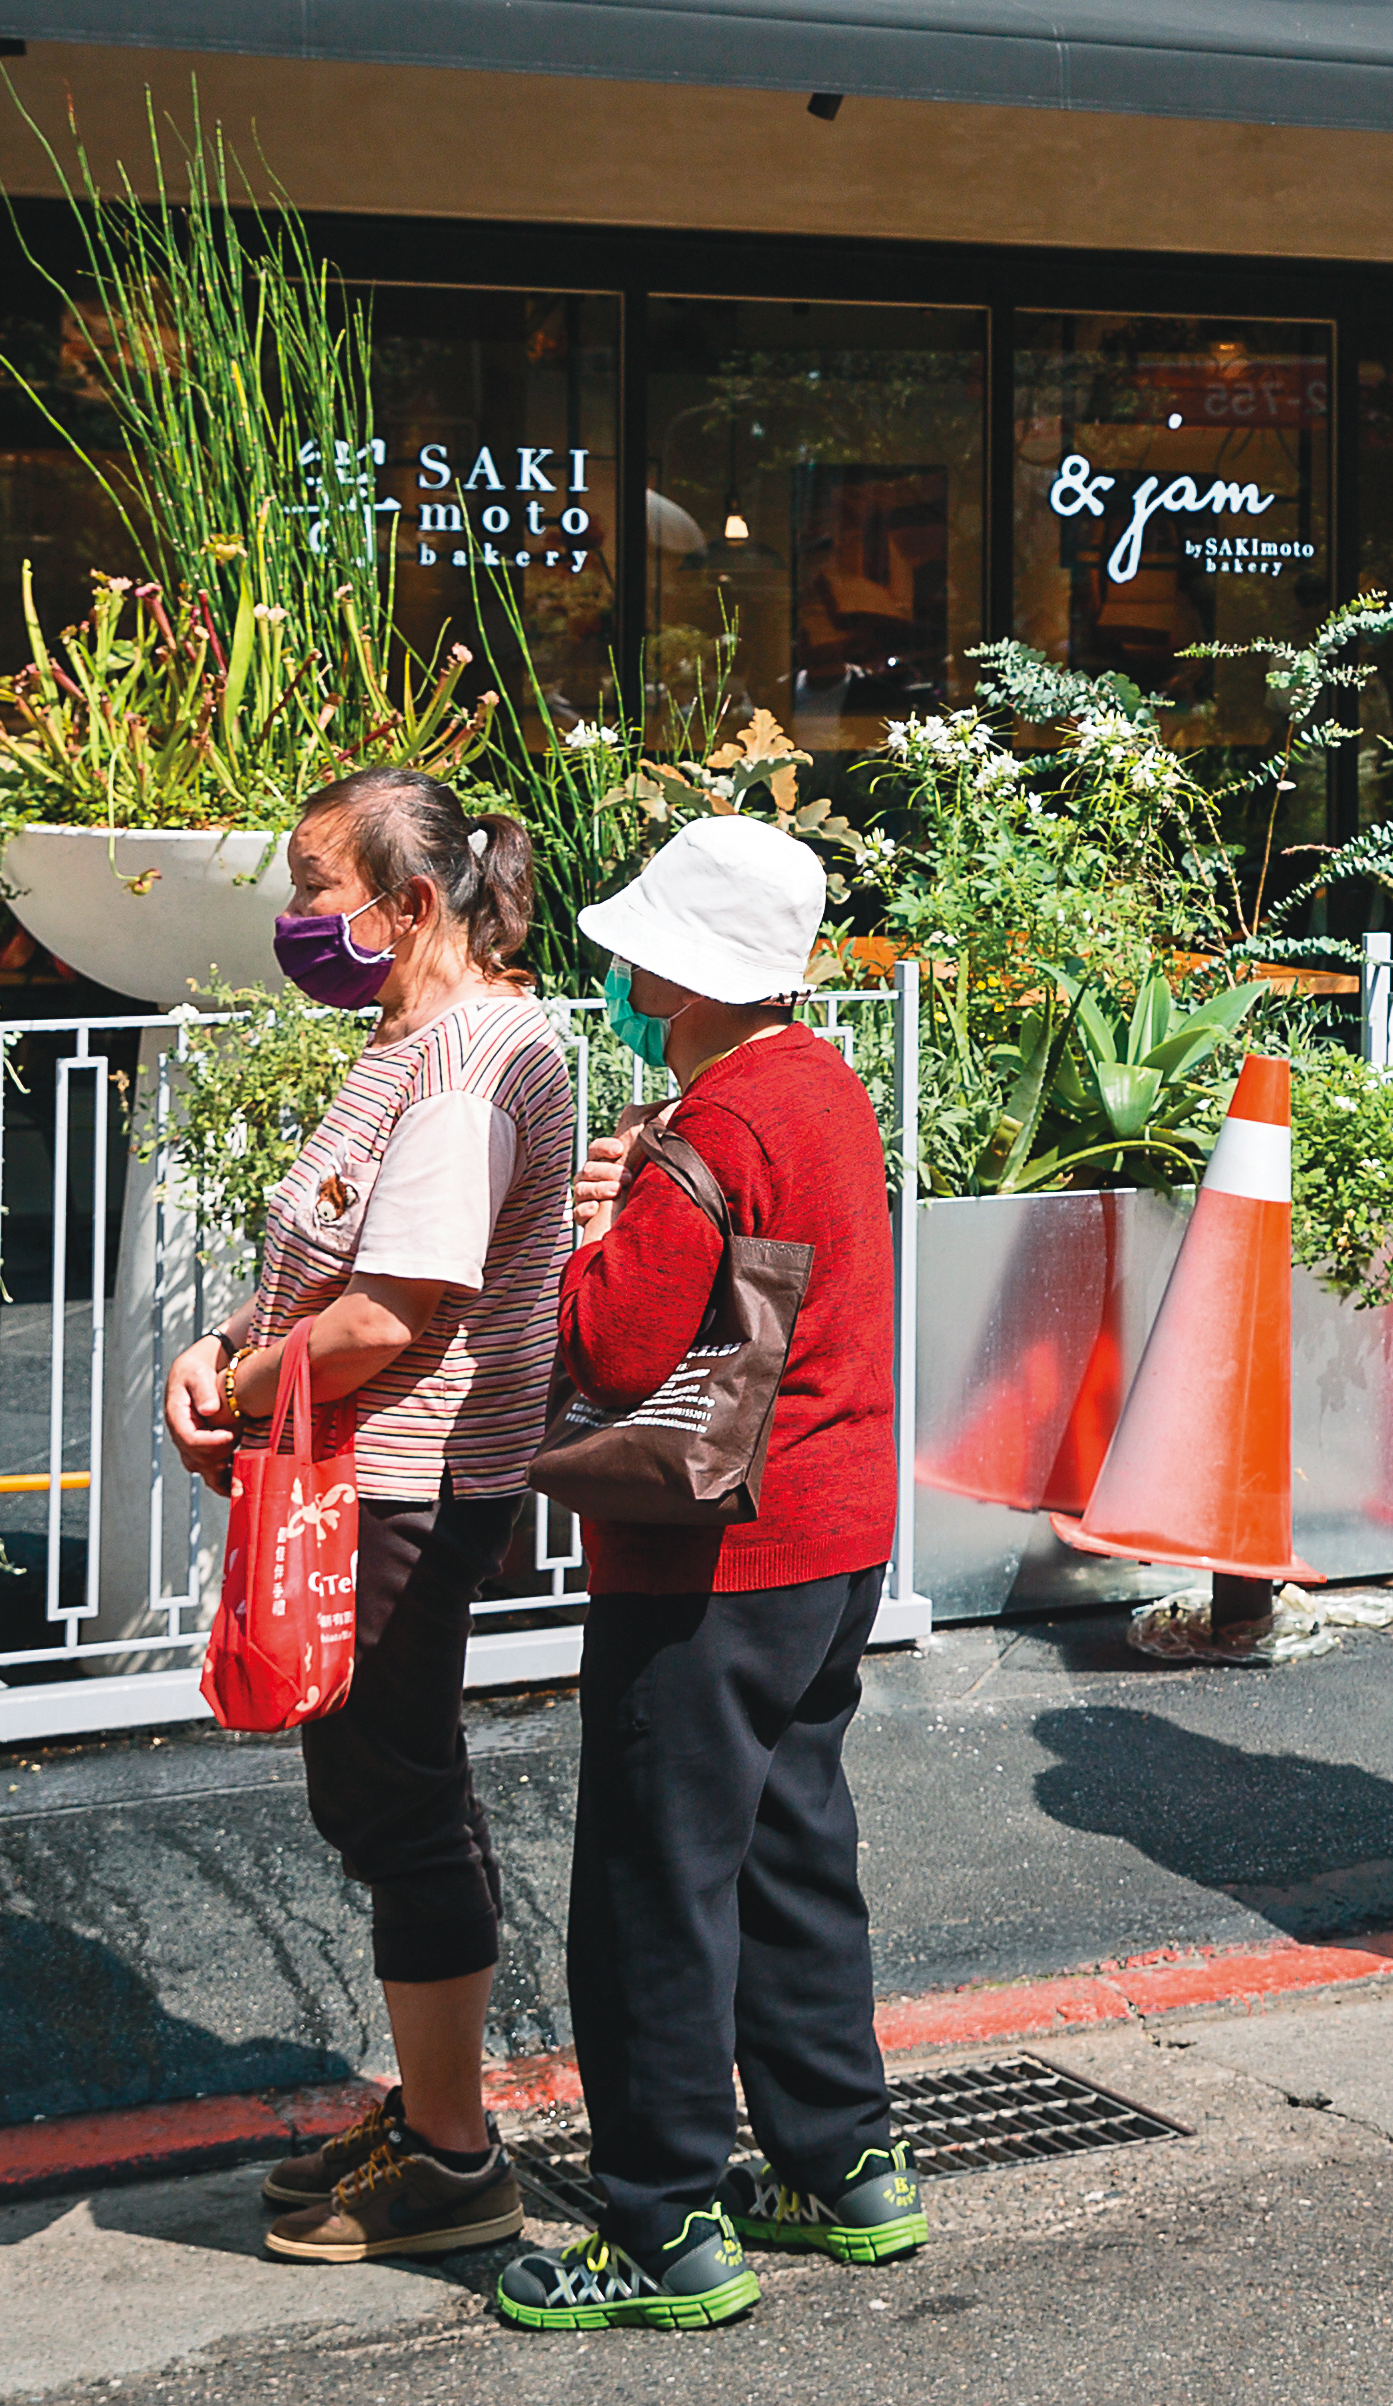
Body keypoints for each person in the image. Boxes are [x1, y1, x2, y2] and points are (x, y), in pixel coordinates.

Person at [492, 818, 912, 2335]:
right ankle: (841, 2160)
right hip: (836, 1539)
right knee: (794, 1849)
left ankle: (662, 2223)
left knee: (653, 1886)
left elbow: (612, 1343)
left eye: (640, 953)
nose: (622, 973)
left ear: (680, 970)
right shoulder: (824, 1088)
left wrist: (596, 1227)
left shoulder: (708, 1130)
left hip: (709, 1559)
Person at [163, 769, 586, 2267]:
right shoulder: (406, 1039)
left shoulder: (470, 1061)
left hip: (406, 1480)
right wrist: (223, 1353)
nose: (294, 920)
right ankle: (431, 2115)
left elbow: (395, 1315)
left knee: (396, 1799)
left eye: (315, 888)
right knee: (379, 1790)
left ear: (412, 906)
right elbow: (327, 1261)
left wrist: (253, 1385)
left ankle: (457, 2160)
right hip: (354, 1469)